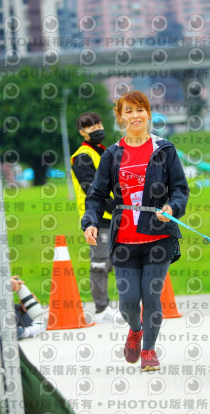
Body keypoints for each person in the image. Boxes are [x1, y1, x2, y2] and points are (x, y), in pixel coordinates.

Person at [82, 91, 189, 372]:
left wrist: (173, 207)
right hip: (124, 240)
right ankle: (135, 330)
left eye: (140, 109)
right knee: (128, 304)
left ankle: (149, 351)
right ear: (120, 117)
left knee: (151, 297)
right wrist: (90, 221)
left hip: (159, 236)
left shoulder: (164, 149)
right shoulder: (112, 155)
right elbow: (96, 195)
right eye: (128, 111)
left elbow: (180, 189)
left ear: (148, 114)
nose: (135, 115)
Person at [71, 112, 119, 323]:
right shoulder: (83, 156)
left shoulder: (104, 152)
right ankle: (102, 309)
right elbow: (90, 187)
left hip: (116, 216)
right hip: (97, 219)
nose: (97, 128)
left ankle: (126, 304)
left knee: (121, 261)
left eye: (99, 124)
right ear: (82, 132)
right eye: (91, 126)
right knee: (100, 262)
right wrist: (113, 203)